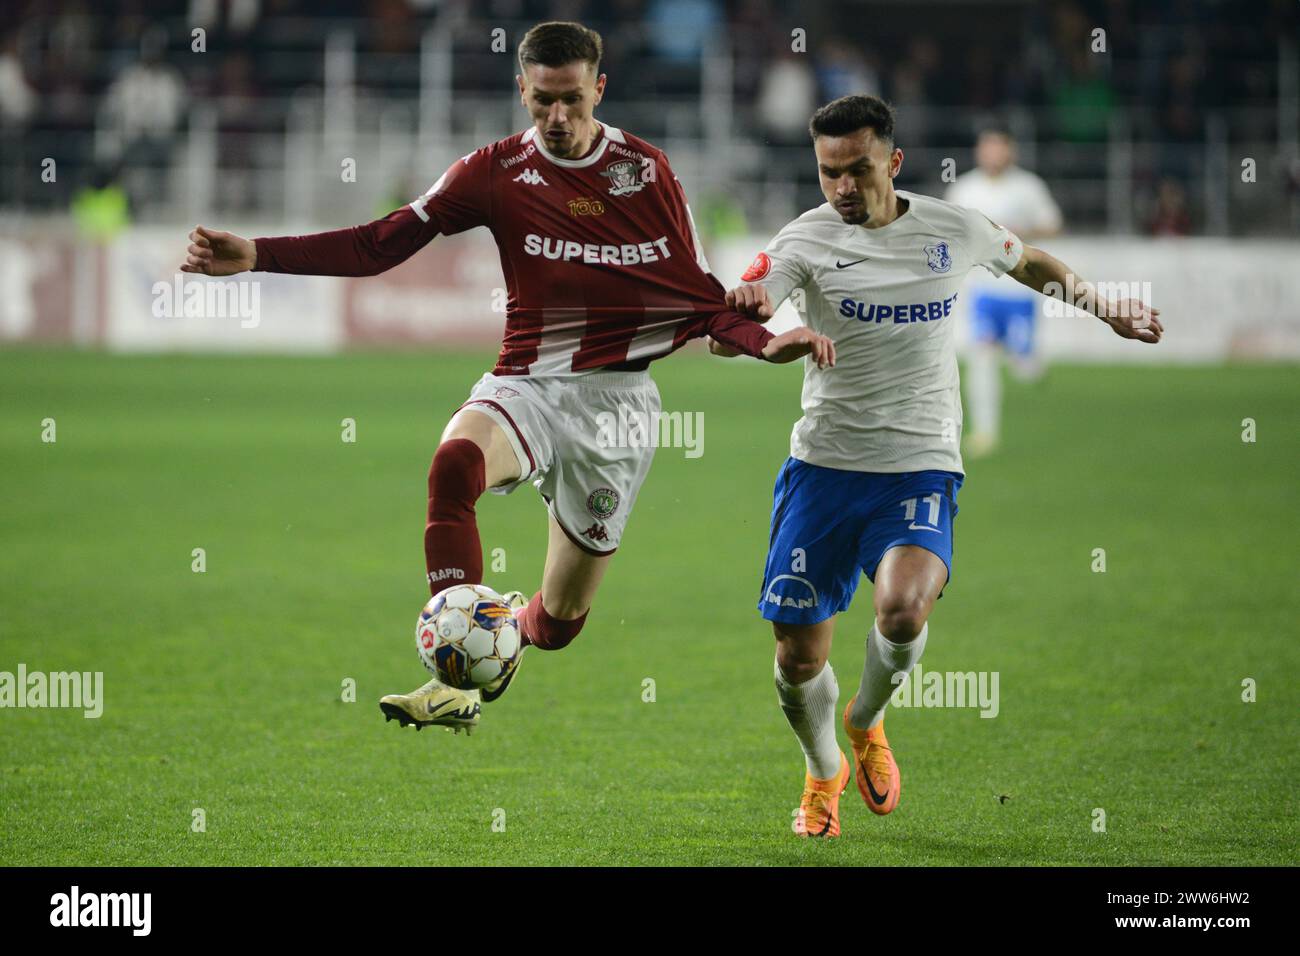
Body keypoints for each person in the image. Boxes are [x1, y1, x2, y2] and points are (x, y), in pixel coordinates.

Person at [180, 21, 834, 734]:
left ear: (599, 90)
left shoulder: (647, 173)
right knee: (453, 466)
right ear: (521, 88)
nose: (557, 118)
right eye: (543, 101)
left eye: (573, 102)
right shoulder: (492, 172)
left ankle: (502, 639)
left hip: (616, 411)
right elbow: (381, 243)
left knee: (558, 621)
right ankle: (454, 672)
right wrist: (258, 254)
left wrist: (767, 343)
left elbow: (698, 296)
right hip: (524, 380)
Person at [711, 94, 1160, 837]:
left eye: (857, 169)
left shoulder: (950, 227)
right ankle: (824, 768)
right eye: (829, 173)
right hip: (823, 465)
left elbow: (1029, 260)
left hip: (920, 462)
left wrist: (1101, 304)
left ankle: (866, 719)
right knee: (796, 659)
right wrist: (748, 325)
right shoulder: (805, 238)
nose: (843, 189)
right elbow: (732, 327)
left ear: (893, 161)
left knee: (903, 607)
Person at [945, 125, 1063, 457]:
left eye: (999, 147)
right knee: (981, 357)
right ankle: (984, 432)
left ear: (1010, 150)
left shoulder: (1028, 187)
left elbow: (1053, 224)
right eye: (987, 147)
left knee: (1023, 366)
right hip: (983, 292)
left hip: (1021, 291)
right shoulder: (964, 189)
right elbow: (947, 230)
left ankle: (1029, 361)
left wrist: (1025, 232)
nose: (992, 154)